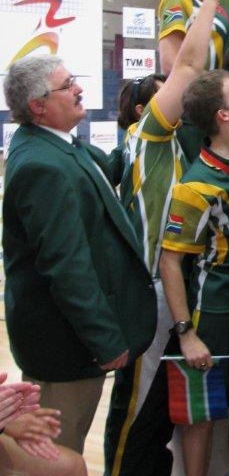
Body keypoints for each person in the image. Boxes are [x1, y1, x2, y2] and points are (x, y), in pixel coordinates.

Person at [105, 0, 229, 476]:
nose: (175, 99)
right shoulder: (149, 137)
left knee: (160, 413)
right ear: (144, 110)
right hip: (154, 290)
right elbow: (189, 64)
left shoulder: (180, 145)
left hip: (178, 287)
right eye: (164, 94)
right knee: (135, 412)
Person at [2, 56, 157, 454]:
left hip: (74, 346)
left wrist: (149, 130)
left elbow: (103, 173)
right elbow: (67, 267)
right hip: (66, 352)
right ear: (38, 105)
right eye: (67, 85)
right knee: (56, 456)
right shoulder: (42, 167)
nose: (79, 89)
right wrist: (106, 341)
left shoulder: (59, 146)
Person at [159, 68, 229, 475]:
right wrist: (186, 332)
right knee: (200, 417)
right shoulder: (195, 184)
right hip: (213, 313)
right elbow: (169, 261)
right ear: (222, 114)